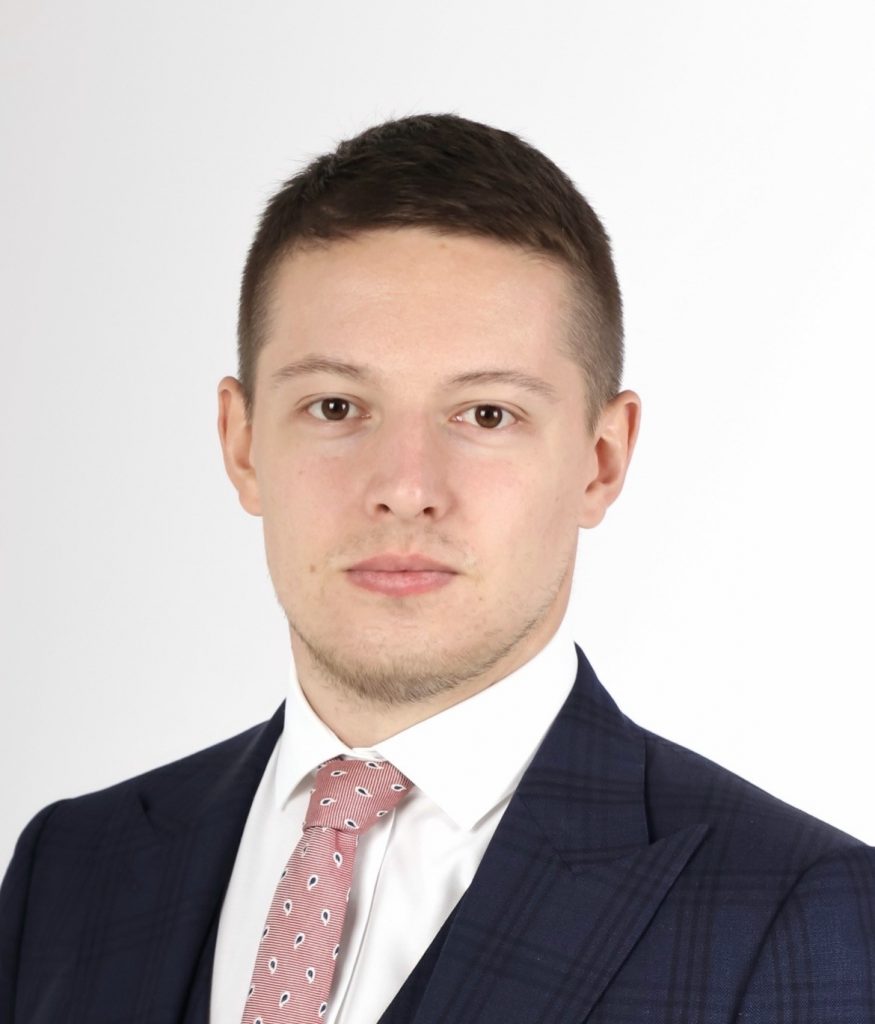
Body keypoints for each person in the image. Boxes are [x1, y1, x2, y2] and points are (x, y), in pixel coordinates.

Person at [1, 113, 873, 1024]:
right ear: (242, 442)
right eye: (335, 406)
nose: (405, 489)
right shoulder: (71, 869)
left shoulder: (797, 912)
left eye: (486, 414)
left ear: (600, 460)